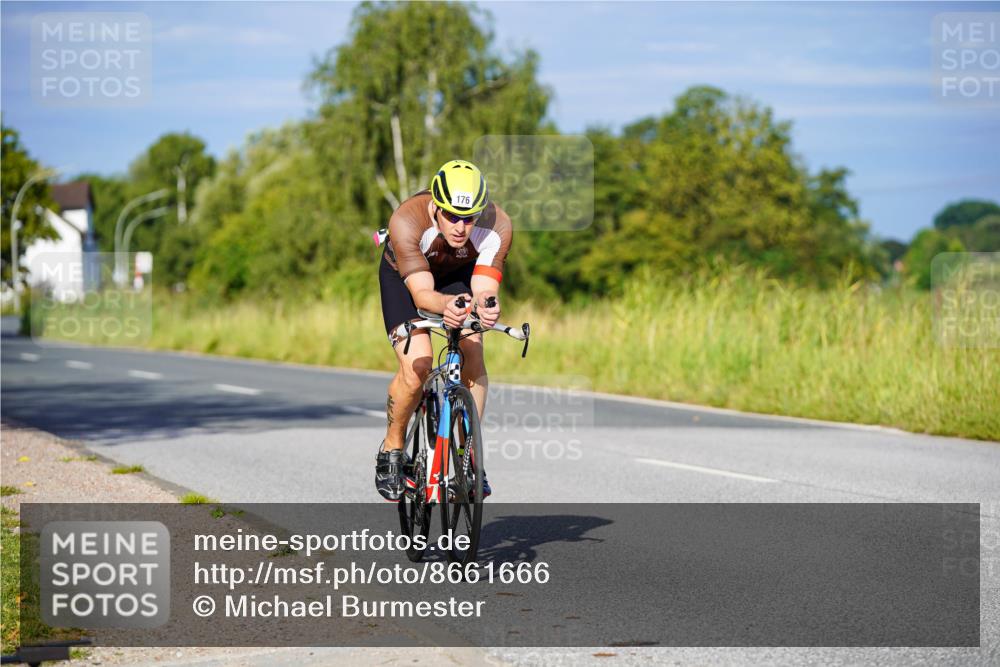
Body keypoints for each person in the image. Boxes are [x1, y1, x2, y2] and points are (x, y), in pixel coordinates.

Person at [375, 159, 512, 501]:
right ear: (436, 206)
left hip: (457, 274)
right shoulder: (407, 220)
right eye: (451, 216)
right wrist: (446, 306)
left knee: (473, 350)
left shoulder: (497, 225)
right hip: (407, 278)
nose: (461, 227)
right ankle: (392, 448)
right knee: (418, 365)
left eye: (469, 218)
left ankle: (469, 462)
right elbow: (422, 294)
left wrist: (487, 306)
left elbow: (484, 286)